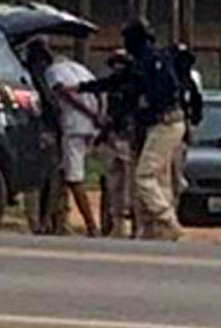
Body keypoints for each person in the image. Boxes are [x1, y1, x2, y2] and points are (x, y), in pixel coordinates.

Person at [118, 18, 186, 241]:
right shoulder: (142, 61)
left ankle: (167, 220)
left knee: (145, 175)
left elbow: (166, 91)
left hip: (166, 121)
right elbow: (122, 83)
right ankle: (159, 230)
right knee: (160, 177)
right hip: (158, 124)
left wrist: (146, 105)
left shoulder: (154, 60)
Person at [43, 41, 103, 238]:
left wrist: (87, 112)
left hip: (74, 125)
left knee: (74, 178)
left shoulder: (52, 71)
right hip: (91, 126)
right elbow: (98, 90)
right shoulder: (80, 69)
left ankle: (91, 226)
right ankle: (47, 222)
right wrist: (98, 114)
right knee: (61, 173)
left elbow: (63, 93)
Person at [78, 49, 138, 238]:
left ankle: (134, 226)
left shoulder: (134, 86)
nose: (118, 67)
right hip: (112, 139)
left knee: (132, 187)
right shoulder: (110, 86)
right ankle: (113, 224)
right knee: (112, 185)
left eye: (122, 63)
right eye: (115, 63)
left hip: (129, 140)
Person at [21, 37, 68, 235]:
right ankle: (46, 221)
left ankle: (38, 221)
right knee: (51, 178)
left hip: (30, 130)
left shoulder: (21, 74)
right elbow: (51, 106)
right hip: (45, 130)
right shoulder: (41, 77)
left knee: (35, 180)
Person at [170, 43, 203, 209]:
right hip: (165, 134)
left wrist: (192, 125)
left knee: (176, 177)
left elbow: (197, 108)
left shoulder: (189, 83)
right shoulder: (167, 80)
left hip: (180, 138)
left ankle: (173, 209)